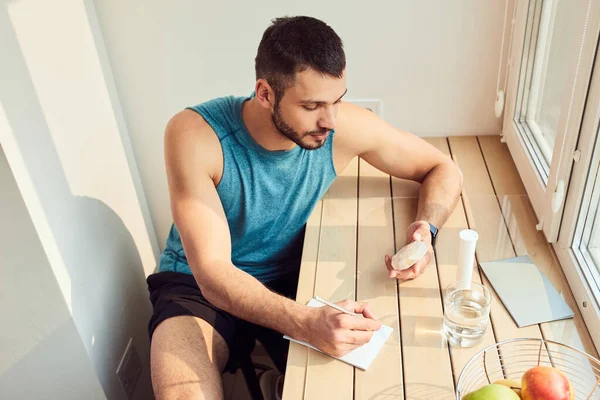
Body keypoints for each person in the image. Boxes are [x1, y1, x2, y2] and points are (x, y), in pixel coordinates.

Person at [147, 15, 463, 400]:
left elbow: (442, 167)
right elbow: (214, 274)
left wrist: (425, 230)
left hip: (292, 277)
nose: (330, 120)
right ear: (265, 93)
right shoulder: (195, 134)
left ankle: (276, 381)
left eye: (338, 100)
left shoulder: (340, 126)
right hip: (195, 285)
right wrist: (305, 323)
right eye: (312, 105)